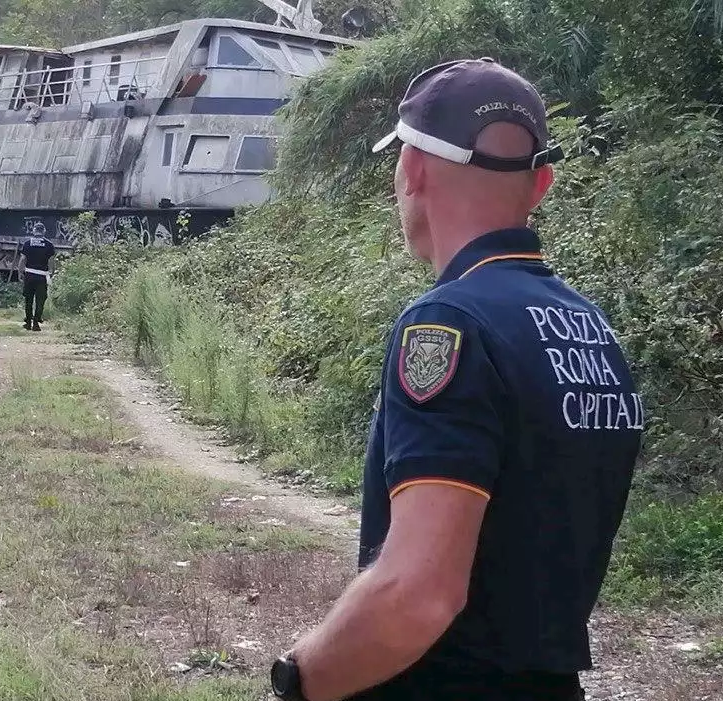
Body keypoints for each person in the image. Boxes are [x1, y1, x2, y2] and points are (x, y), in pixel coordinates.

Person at [269, 58, 644, 701]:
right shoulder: (589, 327)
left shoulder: (447, 325)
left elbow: (419, 594)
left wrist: (298, 680)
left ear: (412, 170)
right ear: (542, 183)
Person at [17, 221, 56, 331]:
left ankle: (28, 322)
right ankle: (36, 323)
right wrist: (51, 273)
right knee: (40, 300)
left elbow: (23, 259)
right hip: (42, 276)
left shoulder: (27, 243)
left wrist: (20, 272)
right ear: (44, 231)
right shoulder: (49, 245)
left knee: (28, 300)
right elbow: (51, 261)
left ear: (34, 231)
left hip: (29, 275)